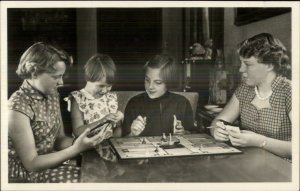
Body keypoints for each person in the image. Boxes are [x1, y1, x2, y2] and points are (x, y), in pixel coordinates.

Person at [8, 42, 104, 183]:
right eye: (56, 77)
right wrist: (76, 149)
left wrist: (89, 144)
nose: (61, 82)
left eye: (62, 76)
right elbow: (31, 163)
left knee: (100, 175)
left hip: (51, 164)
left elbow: (59, 140)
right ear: (34, 72)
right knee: (90, 180)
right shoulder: (16, 107)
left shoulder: (52, 94)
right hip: (25, 176)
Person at [210, 33, 291, 159]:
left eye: (247, 64)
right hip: (250, 164)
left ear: (269, 65)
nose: (241, 70)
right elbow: (217, 121)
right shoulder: (245, 89)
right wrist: (217, 130)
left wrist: (260, 141)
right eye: (241, 63)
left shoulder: (290, 92)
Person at [122, 54, 195, 137]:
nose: (150, 87)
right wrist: (132, 134)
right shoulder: (134, 103)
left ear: (169, 82)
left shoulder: (182, 103)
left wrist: (184, 133)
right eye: (147, 80)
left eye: (158, 82)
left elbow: (192, 135)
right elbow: (121, 142)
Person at [68, 54, 123, 161]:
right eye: (101, 86)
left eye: (109, 86)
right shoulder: (78, 98)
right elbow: (77, 131)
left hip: (110, 151)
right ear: (89, 78)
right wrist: (102, 120)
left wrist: (120, 119)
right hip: (87, 152)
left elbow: (117, 130)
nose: (105, 90)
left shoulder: (110, 98)